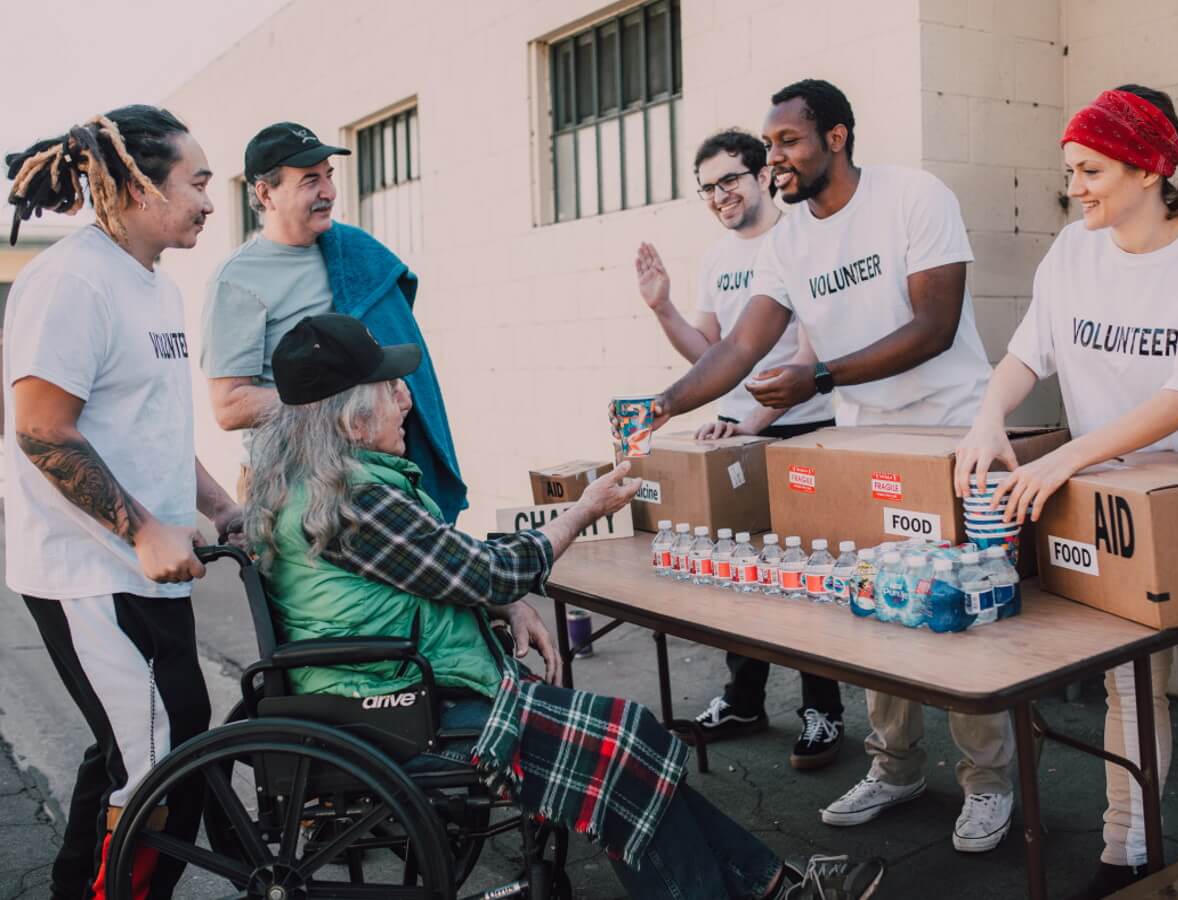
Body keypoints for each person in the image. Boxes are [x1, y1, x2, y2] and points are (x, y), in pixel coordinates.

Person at [244, 312, 888, 900]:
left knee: (630, 745)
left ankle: (773, 886)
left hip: (392, 691)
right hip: (403, 711)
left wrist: (503, 605)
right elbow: (484, 570)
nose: (407, 398)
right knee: (623, 749)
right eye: (389, 390)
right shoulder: (355, 501)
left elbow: (436, 572)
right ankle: (766, 888)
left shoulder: (315, 485)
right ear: (350, 419)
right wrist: (579, 514)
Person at [643, 79, 1014, 853]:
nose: (772, 158)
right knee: (875, 608)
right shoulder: (788, 242)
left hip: (948, 429)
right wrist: (664, 403)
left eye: (787, 142)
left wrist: (820, 376)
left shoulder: (914, 196)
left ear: (836, 138)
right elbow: (740, 349)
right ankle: (895, 765)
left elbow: (937, 325)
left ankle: (989, 784)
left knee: (961, 616)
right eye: (769, 144)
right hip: (861, 441)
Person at [955, 84, 1178, 899]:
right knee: (1126, 679)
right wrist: (992, 414)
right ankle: (1126, 850)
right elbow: (1030, 353)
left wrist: (1065, 460)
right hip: (1116, 508)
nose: (1076, 188)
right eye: (1071, 171)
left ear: (1153, 167)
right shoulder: (1072, 251)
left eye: (1091, 170)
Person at [3, 106, 242, 900]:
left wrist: (220, 507)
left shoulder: (154, 287)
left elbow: (152, 429)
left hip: (147, 569)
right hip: (88, 573)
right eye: (197, 181)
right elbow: (42, 432)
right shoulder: (69, 282)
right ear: (138, 184)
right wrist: (142, 531)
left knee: (145, 744)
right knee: (158, 762)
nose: (211, 200)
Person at [635, 127, 841, 765]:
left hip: (802, 431)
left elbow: (811, 352)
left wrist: (747, 424)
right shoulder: (718, 260)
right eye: (707, 188)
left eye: (729, 180)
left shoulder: (801, 241)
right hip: (736, 434)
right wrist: (663, 308)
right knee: (739, 575)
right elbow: (713, 355)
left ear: (761, 176)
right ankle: (744, 700)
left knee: (807, 577)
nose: (719, 195)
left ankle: (822, 711)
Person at [201, 121, 467, 522]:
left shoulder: (354, 252)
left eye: (328, 176)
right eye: (310, 180)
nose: (328, 192)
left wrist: (387, 392)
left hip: (372, 476)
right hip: (289, 483)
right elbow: (228, 407)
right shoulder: (238, 280)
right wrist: (342, 398)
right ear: (265, 193)